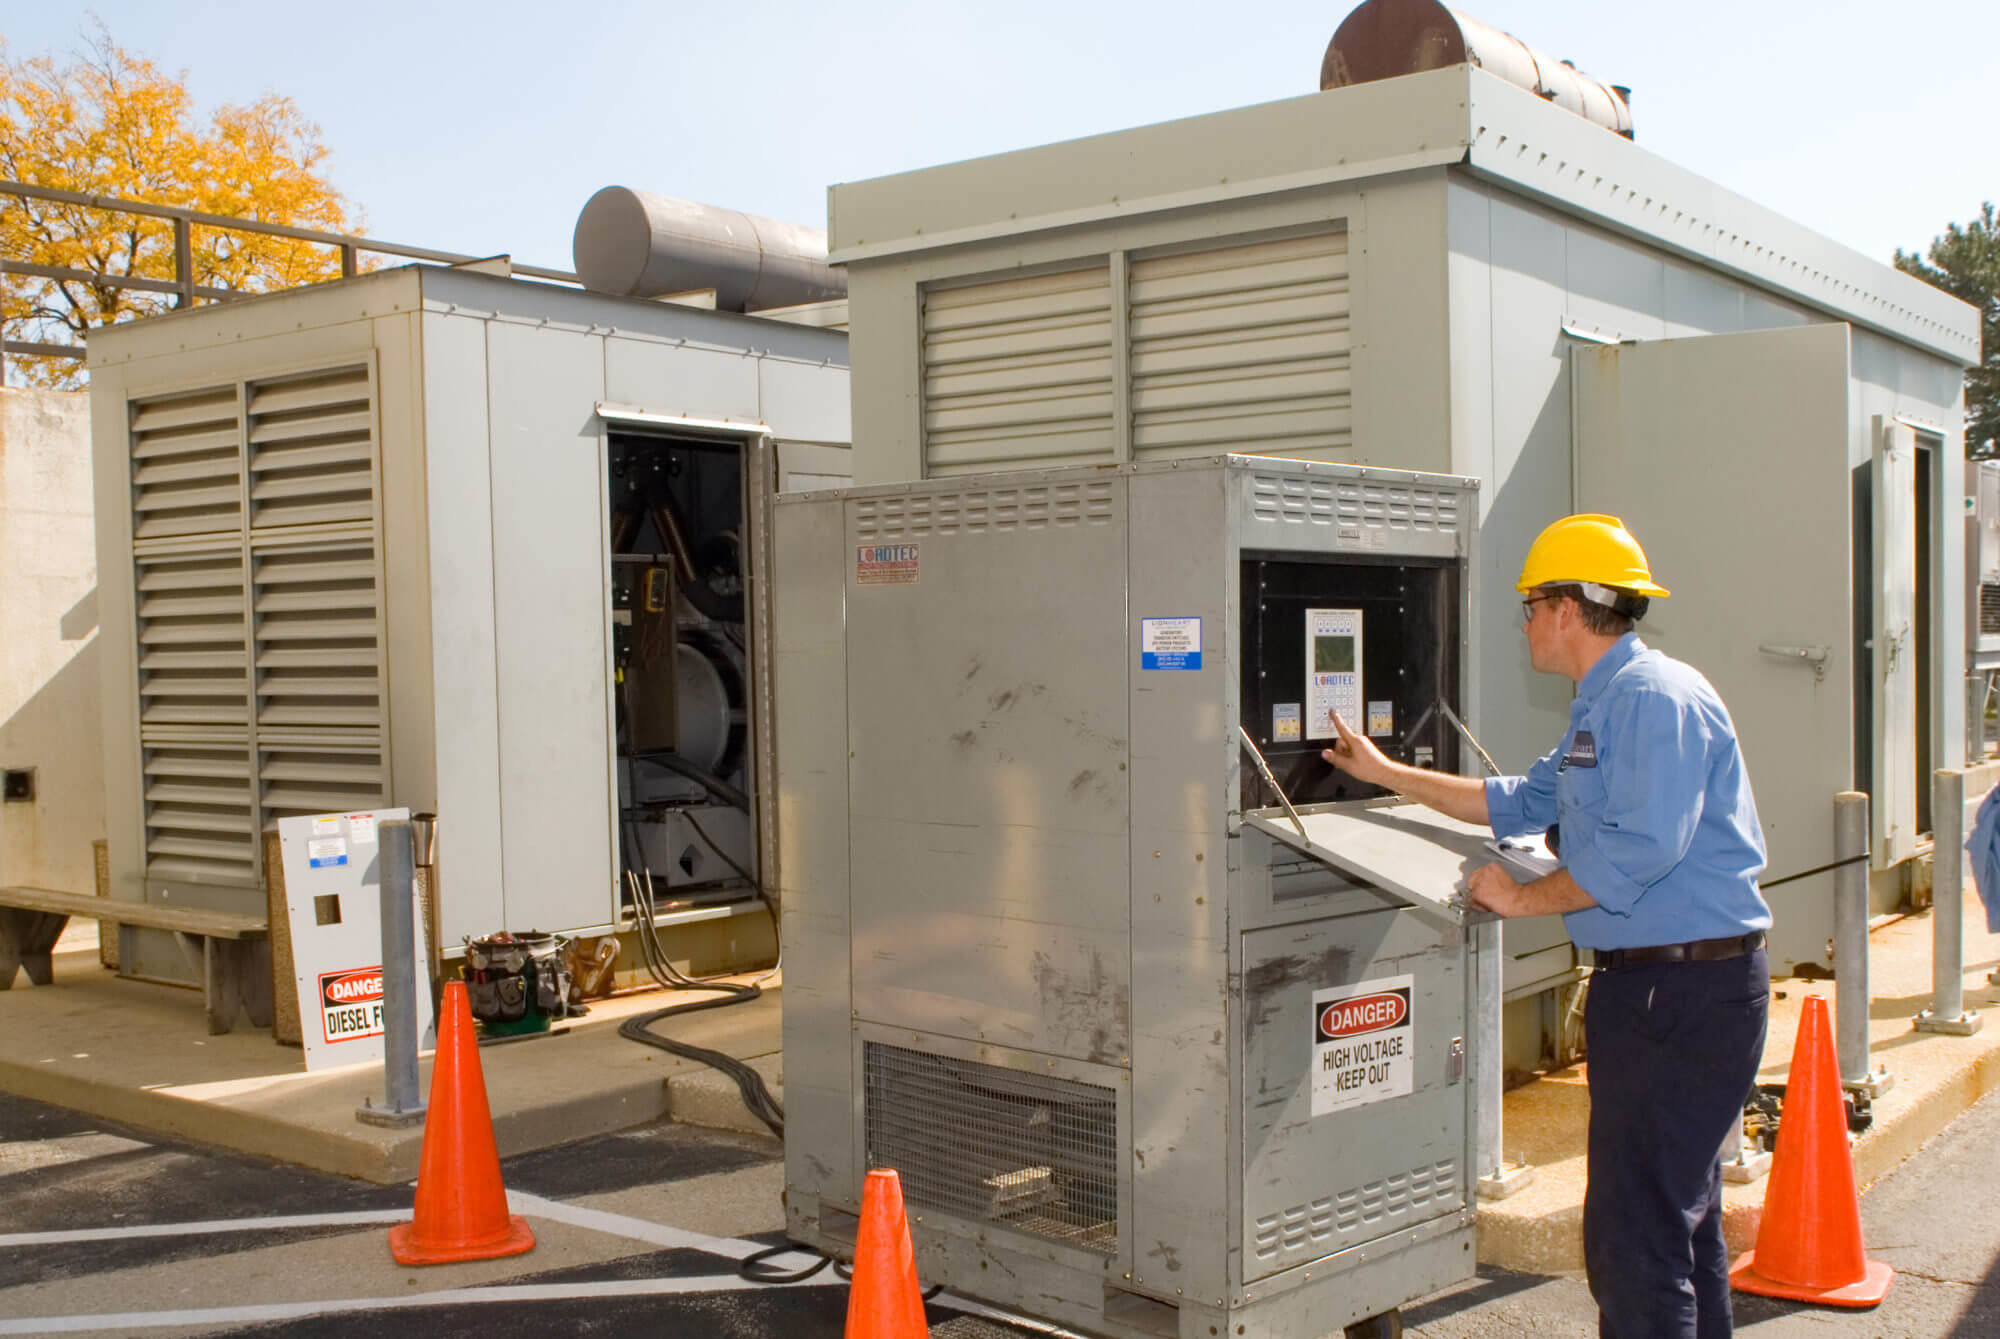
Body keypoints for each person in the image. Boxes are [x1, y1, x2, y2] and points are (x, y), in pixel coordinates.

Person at [1321, 514, 1771, 1339]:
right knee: (1678, 1218)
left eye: (1531, 603)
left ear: (1569, 607)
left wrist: (1517, 898)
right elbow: (1519, 803)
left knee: (1635, 1237)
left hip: (1682, 994)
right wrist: (1384, 773)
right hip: (1658, 989)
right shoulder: (1603, 705)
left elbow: (1641, 849)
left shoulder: (1652, 699)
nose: (1524, 620)